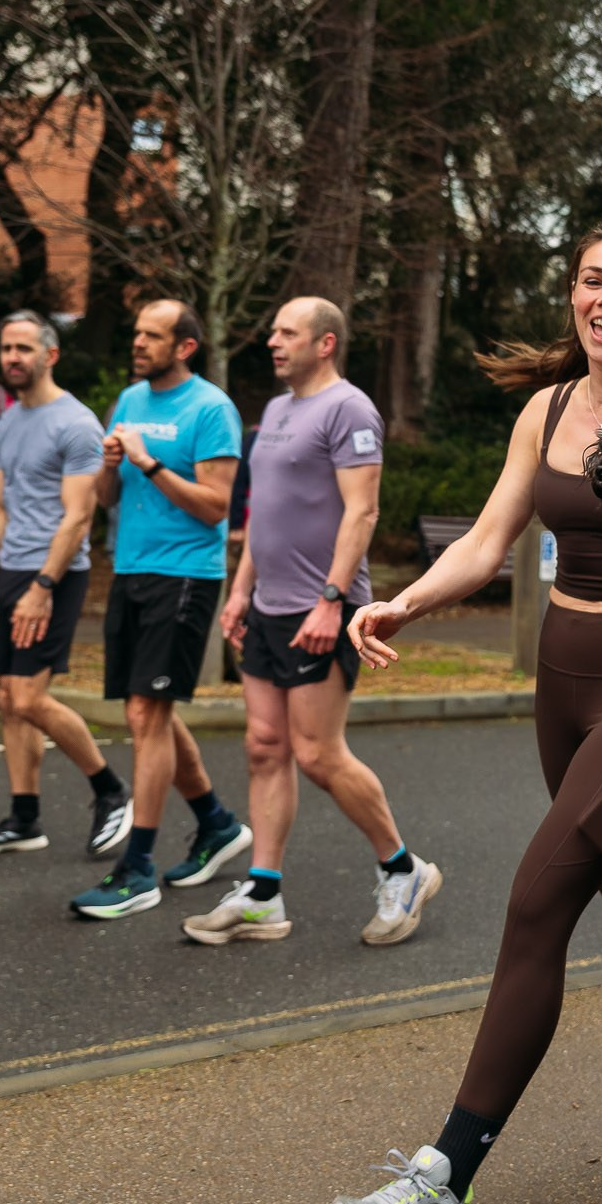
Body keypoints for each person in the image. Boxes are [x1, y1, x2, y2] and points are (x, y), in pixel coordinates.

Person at [324, 223, 602, 1204]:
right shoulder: (547, 408)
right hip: (560, 682)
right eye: (593, 280)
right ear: (574, 292)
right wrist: (406, 602)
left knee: (537, 897)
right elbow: (486, 537)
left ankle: (442, 1179)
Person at [200, 297, 435, 946]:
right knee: (264, 746)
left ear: (324, 342)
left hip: (321, 610)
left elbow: (362, 511)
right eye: (273, 329)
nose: (272, 340)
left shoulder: (350, 408)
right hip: (270, 608)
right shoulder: (276, 410)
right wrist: (241, 590)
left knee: (317, 753)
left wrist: (332, 600)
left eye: (287, 332)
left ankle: (404, 868)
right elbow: (265, 514)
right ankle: (264, 894)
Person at [68, 300, 252, 920]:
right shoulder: (128, 400)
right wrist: (112, 468)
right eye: (138, 333)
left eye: (153, 335)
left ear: (185, 346)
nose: (139, 343)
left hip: (185, 576)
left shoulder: (210, 409)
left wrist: (148, 460)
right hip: (131, 570)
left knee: (149, 711)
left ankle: (137, 869)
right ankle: (217, 825)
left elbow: (215, 506)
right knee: (149, 712)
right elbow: (106, 496)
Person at [0, 311, 132, 865]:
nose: (12, 357)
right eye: (6, 347)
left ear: (49, 355)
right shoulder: (7, 423)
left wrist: (41, 585)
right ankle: (24, 818)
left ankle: (110, 791)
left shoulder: (75, 423)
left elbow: (78, 518)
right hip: (11, 571)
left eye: (23, 348)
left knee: (30, 697)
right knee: (9, 700)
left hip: (55, 574)